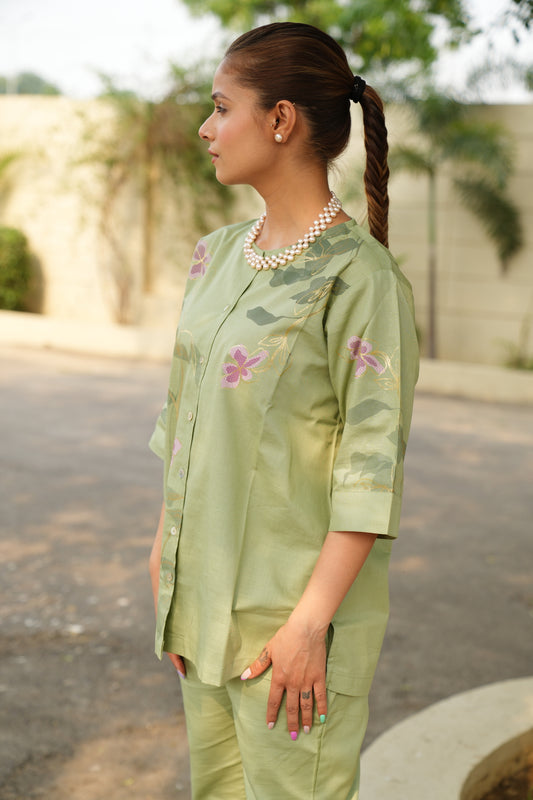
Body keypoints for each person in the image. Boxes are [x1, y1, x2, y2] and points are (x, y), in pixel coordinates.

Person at [148, 21, 419, 800]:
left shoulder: (361, 280)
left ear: (280, 119)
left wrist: (308, 625)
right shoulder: (215, 256)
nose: (206, 128)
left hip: (294, 630)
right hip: (201, 610)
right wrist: (166, 562)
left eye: (219, 106)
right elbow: (184, 422)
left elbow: (369, 473)